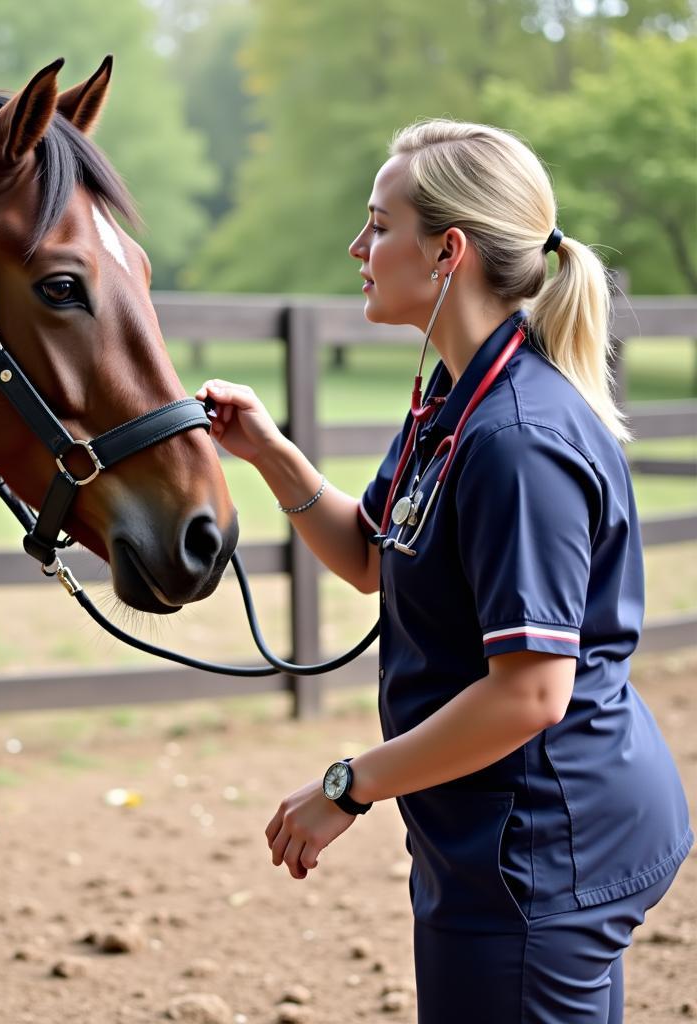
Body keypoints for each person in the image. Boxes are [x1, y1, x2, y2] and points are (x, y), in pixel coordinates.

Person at [197, 119, 691, 1024]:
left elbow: (531, 694)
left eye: (378, 224)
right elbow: (367, 557)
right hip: (503, 837)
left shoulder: (515, 441)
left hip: (543, 852)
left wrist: (348, 785)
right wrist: (268, 451)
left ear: (446, 251)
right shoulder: (455, 401)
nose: (358, 246)